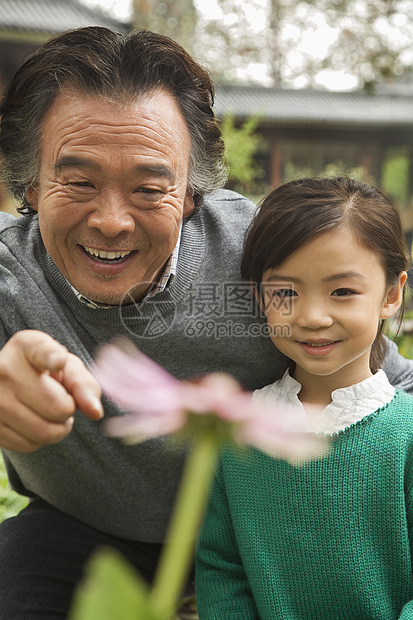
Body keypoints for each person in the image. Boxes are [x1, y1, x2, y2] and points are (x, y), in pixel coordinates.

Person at [0, 27, 410, 618]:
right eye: (80, 182)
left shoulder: (269, 262)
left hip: (261, 527)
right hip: (78, 530)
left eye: (148, 187)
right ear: (32, 186)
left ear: (192, 195)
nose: (112, 221)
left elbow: (391, 385)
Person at [195, 176, 413, 619]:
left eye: (343, 292)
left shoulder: (405, 435)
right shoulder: (236, 429)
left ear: (391, 294)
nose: (313, 317)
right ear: (259, 297)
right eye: (286, 293)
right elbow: (221, 568)